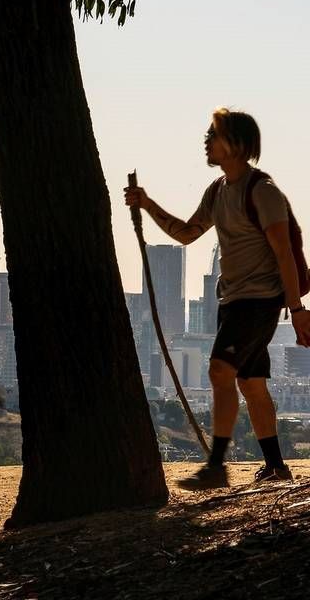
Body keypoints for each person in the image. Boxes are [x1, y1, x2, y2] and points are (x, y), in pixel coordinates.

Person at [126, 108, 310, 489]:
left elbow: (284, 255)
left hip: (259, 302)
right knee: (252, 383)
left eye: (213, 134)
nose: (206, 141)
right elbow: (188, 233)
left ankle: (216, 465)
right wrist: (146, 204)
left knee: (219, 370)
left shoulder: (263, 192)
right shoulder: (218, 191)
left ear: (236, 144)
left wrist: (297, 310)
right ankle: (276, 465)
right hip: (231, 301)